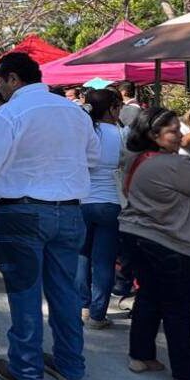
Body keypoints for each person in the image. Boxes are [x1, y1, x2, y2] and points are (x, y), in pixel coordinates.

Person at [0, 52, 98, 380]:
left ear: (14, 79)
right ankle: (70, 366)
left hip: (19, 211)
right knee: (64, 291)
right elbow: (93, 156)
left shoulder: (9, 114)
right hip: (69, 211)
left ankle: (27, 370)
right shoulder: (75, 112)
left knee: (25, 293)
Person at [119, 106, 190, 380]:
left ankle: (140, 356)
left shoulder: (137, 160)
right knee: (178, 308)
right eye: (173, 131)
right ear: (154, 135)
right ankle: (186, 375)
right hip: (173, 242)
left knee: (148, 298)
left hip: (139, 236)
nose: (180, 135)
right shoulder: (172, 165)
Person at [73, 89, 125, 330]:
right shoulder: (122, 134)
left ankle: (82, 306)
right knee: (103, 261)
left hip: (82, 200)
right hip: (110, 202)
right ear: (113, 108)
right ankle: (97, 314)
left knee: (81, 257)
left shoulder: (82, 132)